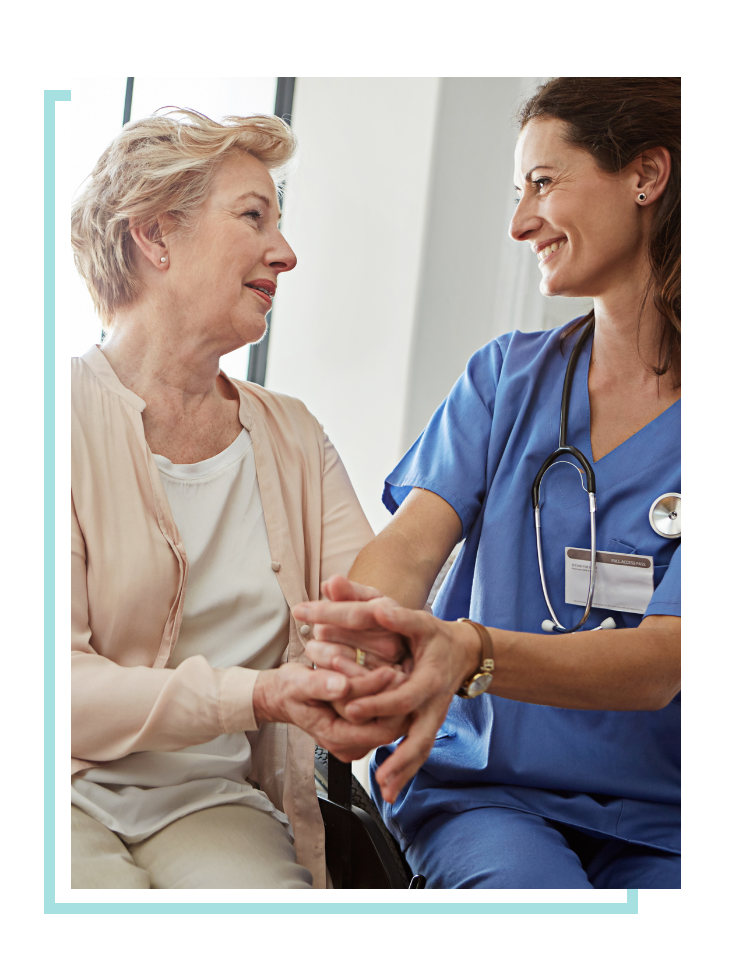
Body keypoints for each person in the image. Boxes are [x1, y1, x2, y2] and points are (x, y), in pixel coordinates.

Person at [294, 77, 681, 889]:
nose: (519, 223)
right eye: (518, 191)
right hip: (485, 792)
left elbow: (661, 660)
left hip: (660, 812)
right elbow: (407, 548)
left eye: (543, 183)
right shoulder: (505, 380)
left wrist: (468, 647)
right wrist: (360, 647)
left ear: (645, 176)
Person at [70, 108, 407, 889]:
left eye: (279, 221)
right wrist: (260, 692)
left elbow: (366, 613)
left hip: (212, 799)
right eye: (253, 215)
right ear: (154, 235)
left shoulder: (291, 434)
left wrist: (362, 682)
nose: (284, 252)